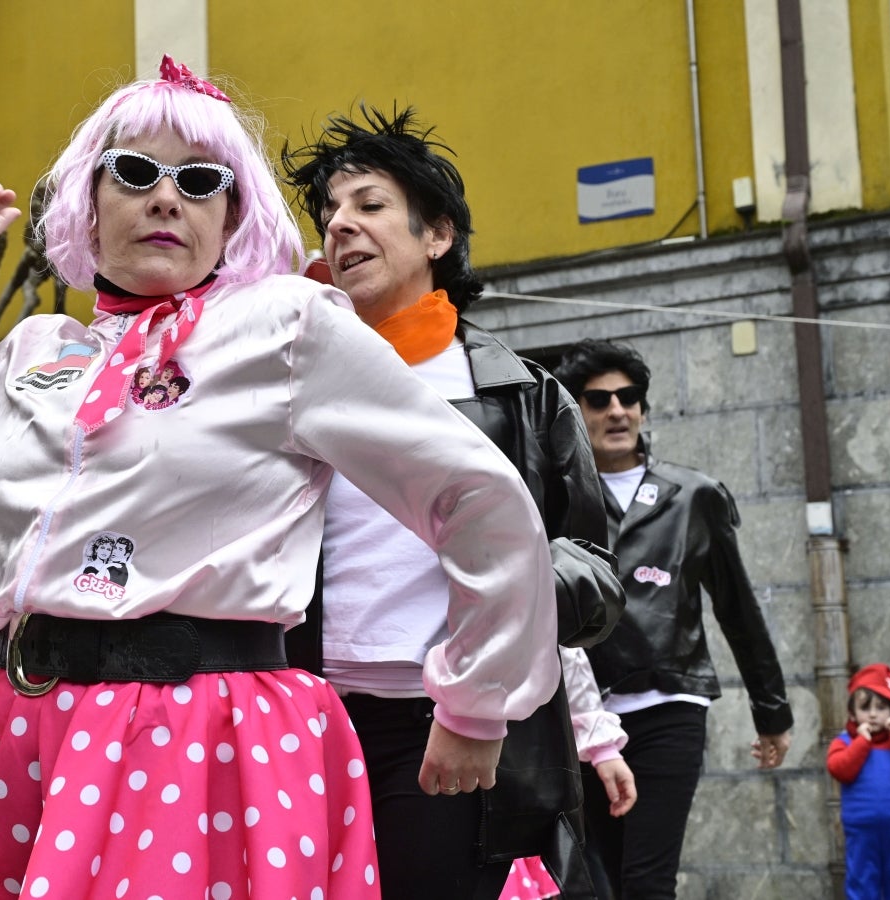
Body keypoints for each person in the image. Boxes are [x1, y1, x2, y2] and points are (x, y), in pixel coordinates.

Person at [0, 55, 557, 899]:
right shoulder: (35, 354)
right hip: (21, 726)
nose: (167, 197)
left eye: (201, 181)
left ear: (234, 215)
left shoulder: (286, 328)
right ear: (90, 198)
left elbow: (476, 494)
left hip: (209, 733)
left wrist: (477, 699)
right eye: (135, 172)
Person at [283, 105, 626, 899]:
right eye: (330, 212)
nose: (341, 226)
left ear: (437, 235)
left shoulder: (520, 394)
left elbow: (597, 575)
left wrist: (505, 618)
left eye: (368, 205)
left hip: (446, 727)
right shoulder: (289, 381)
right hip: (299, 715)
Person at [554, 338, 795, 899]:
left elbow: (739, 609)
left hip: (668, 705)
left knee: (648, 878)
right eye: (599, 399)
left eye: (629, 396)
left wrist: (772, 711)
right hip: (581, 717)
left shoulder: (695, 496)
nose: (617, 410)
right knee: (592, 877)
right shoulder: (557, 497)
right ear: (576, 410)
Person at [827, 663, 890, 900]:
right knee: (862, 880)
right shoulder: (845, 742)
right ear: (852, 713)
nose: (873, 714)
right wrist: (863, 742)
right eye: (865, 708)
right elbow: (840, 770)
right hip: (861, 827)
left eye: (881, 708)